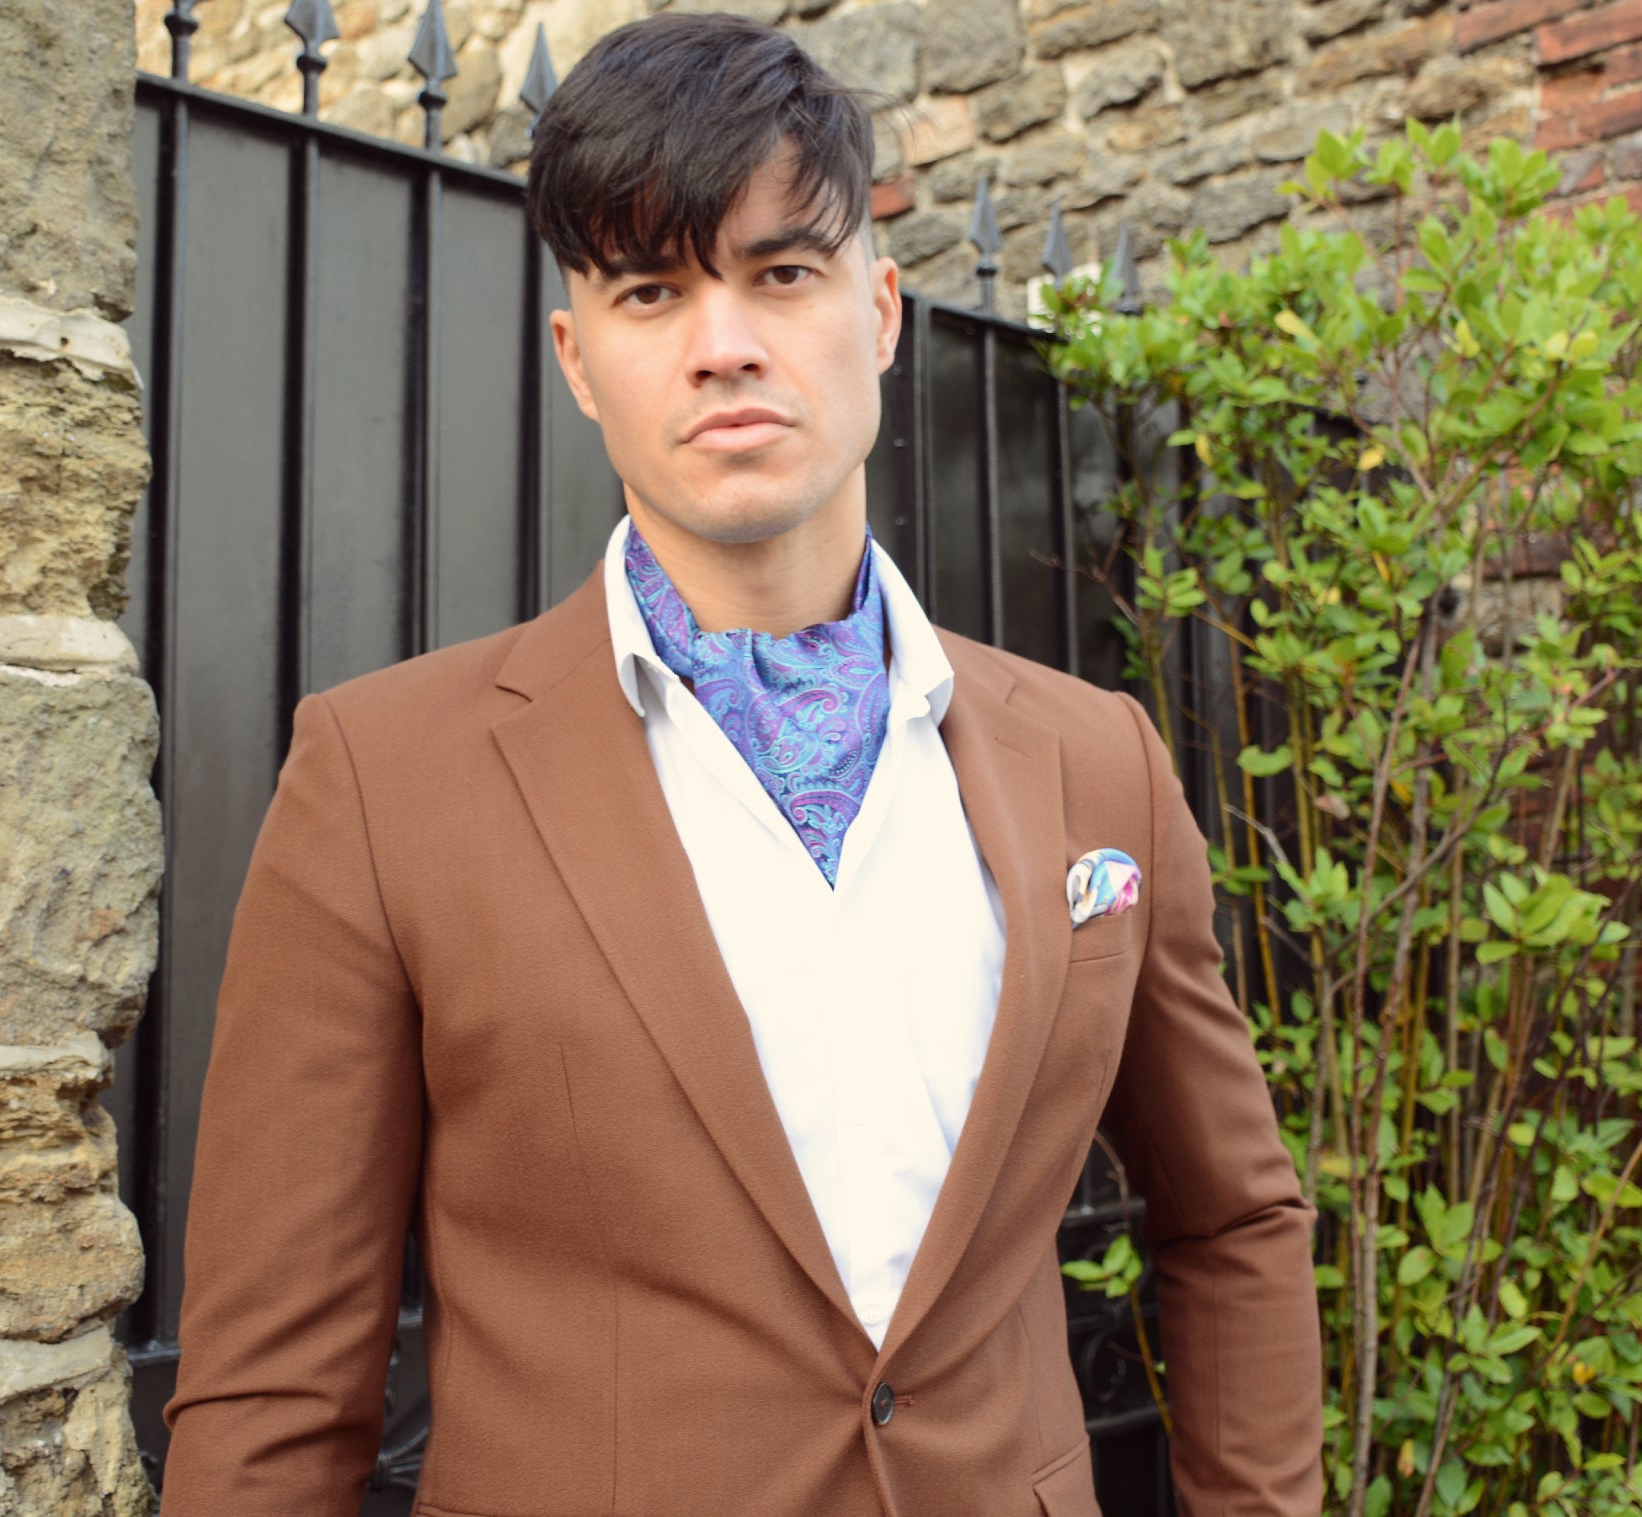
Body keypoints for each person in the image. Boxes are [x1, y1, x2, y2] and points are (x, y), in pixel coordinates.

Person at [157, 12, 1321, 1514]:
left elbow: (1233, 1219)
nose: (725, 344)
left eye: (782, 272)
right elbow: (273, 1394)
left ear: (881, 312)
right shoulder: (383, 782)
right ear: (579, 360)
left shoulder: (1099, 762)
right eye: (652, 290)